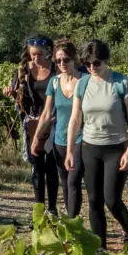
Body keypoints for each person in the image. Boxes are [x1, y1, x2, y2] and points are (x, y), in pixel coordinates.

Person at [66, 39, 128, 244]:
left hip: (116, 147)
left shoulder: (121, 83)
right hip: (90, 146)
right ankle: (100, 246)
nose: (92, 68)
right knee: (94, 200)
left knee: (111, 200)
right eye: (87, 64)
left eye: (96, 63)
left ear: (106, 60)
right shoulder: (83, 83)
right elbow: (75, 119)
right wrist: (71, 150)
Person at [7, 35, 57, 216]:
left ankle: (52, 208)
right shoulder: (23, 71)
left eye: (39, 55)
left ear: (48, 53)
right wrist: (12, 93)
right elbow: (19, 97)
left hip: (54, 121)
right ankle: (39, 207)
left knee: (51, 166)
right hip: (33, 121)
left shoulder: (56, 69)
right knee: (36, 166)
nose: (36, 59)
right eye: (33, 55)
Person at [32, 39, 83, 218]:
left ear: (74, 59)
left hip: (81, 138)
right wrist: (37, 138)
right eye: (58, 60)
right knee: (65, 182)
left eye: (66, 60)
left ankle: (72, 223)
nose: (62, 64)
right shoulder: (54, 82)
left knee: (73, 181)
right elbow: (46, 113)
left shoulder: (84, 81)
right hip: (59, 138)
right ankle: (72, 221)